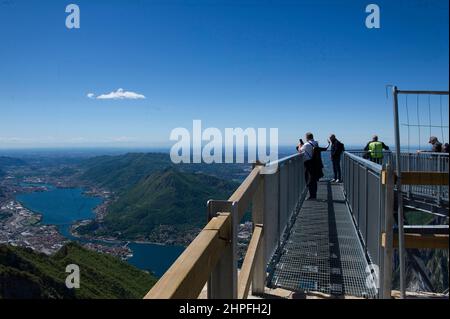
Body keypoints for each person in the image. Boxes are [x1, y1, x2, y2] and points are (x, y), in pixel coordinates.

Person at [297, 132, 329, 200]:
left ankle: (312, 196)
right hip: (315, 163)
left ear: (307, 137)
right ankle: (314, 195)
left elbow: (300, 151)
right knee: (313, 179)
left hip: (308, 163)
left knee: (309, 179)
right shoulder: (316, 143)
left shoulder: (306, 144)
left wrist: (300, 145)